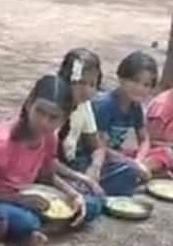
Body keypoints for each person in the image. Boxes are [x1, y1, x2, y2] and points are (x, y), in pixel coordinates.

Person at [0, 74, 100, 246]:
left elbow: (46, 175)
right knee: (24, 221)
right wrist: (18, 199)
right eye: (40, 112)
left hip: (27, 196)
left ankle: (33, 232)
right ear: (29, 103)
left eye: (53, 118)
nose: (44, 122)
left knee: (91, 205)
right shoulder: (1, 144)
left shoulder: (49, 138)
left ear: (64, 119)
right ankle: (30, 232)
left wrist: (73, 194)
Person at [54, 48, 141, 197]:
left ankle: (91, 192)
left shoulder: (83, 105)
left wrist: (95, 168)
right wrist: (82, 179)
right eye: (80, 83)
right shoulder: (54, 107)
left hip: (75, 166)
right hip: (56, 171)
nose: (87, 91)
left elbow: (97, 146)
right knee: (88, 200)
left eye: (92, 85)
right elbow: (45, 161)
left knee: (129, 171)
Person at [93, 50, 160, 180]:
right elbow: (99, 146)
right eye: (135, 81)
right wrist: (132, 164)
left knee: (164, 154)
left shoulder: (135, 106)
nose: (140, 88)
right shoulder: (105, 105)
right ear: (121, 78)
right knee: (126, 172)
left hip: (118, 155)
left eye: (146, 85)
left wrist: (139, 160)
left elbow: (144, 139)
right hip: (98, 156)